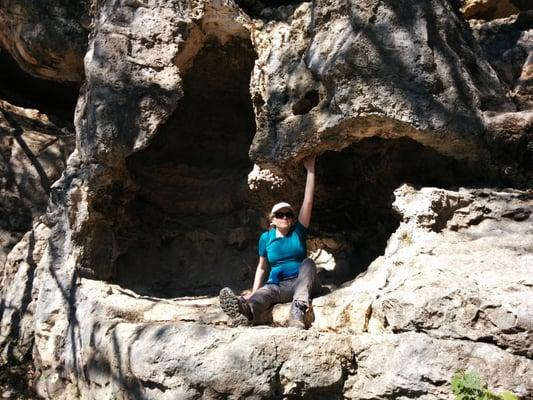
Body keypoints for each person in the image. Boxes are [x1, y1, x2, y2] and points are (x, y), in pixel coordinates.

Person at [219, 156, 320, 329]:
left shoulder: (298, 230)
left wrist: (310, 169)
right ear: (272, 220)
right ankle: (246, 311)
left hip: (303, 283)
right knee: (263, 294)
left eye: (288, 214)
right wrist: (253, 291)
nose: (285, 217)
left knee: (308, 263)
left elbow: (308, 202)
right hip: (278, 286)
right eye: (280, 215)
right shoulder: (266, 238)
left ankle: (297, 313)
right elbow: (262, 267)